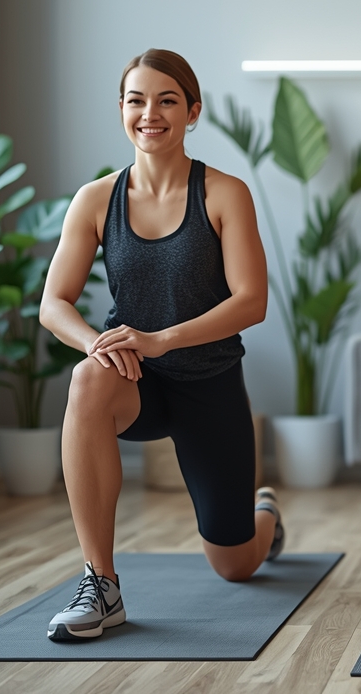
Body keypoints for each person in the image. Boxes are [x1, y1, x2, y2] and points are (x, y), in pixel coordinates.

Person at [39, 48, 281, 641]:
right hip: (136, 384)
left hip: (211, 386)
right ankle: (101, 582)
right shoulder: (96, 200)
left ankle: (267, 515)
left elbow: (252, 302)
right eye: (137, 100)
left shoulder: (224, 193)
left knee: (235, 565)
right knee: (88, 376)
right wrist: (101, 344)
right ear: (121, 110)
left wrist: (159, 340)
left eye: (167, 100)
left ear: (192, 111)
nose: (151, 113)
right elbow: (53, 305)